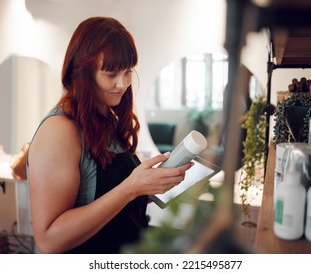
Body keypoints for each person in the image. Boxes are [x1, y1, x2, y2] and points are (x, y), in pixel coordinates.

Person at [27, 16, 193, 254]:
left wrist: (148, 185)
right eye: (111, 74)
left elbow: (111, 200)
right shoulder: (59, 131)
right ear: (83, 73)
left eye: (128, 72)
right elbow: (49, 240)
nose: (123, 84)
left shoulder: (105, 118)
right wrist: (131, 188)